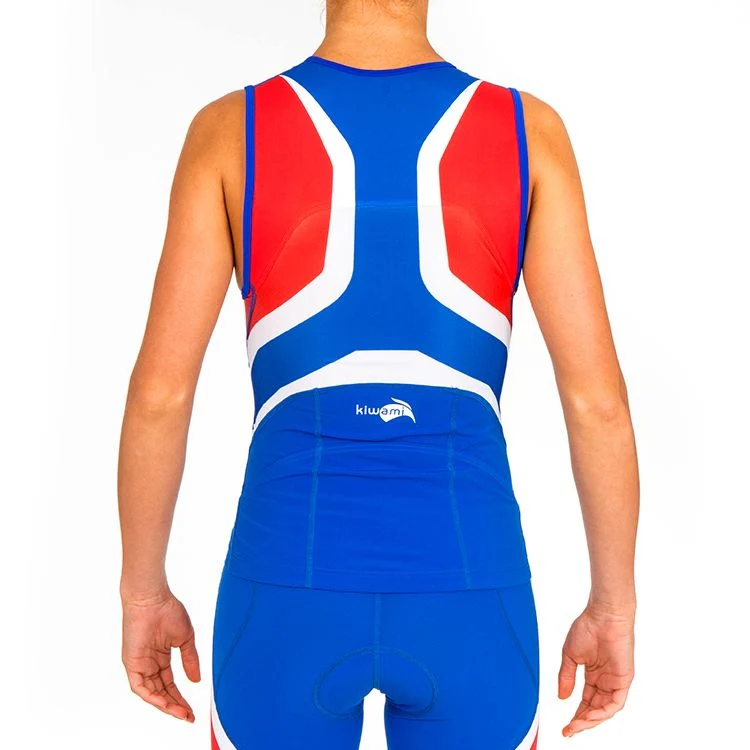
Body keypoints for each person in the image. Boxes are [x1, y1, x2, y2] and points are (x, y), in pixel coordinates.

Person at [118, 0, 639, 747]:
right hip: (469, 583)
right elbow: (597, 403)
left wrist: (143, 594)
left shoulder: (230, 131)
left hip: (285, 581)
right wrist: (613, 608)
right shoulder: (529, 133)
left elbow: (161, 395)